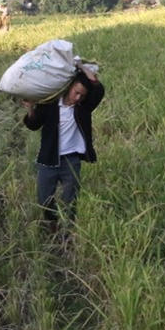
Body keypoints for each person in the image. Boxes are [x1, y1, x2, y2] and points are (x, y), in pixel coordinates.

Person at [21, 66, 104, 225]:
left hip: (71, 160)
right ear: (69, 87)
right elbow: (33, 125)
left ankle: (68, 229)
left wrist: (82, 67)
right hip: (48, 158)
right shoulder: (50, 105)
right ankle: (52, 225)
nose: (78, 98)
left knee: (70, 199)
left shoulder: (83, 108)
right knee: (44, 199)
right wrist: (30, 108)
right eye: (76, 92)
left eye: (82, 95)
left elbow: (98, 89)